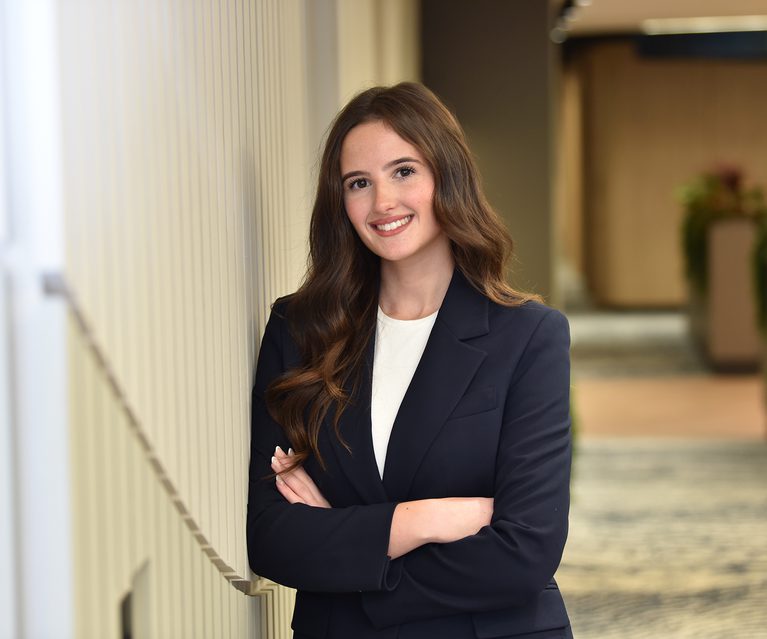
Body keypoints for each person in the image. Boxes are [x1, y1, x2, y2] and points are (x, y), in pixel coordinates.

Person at [247, 82, 573, 639]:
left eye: (404, 171)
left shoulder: (528, 337)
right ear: (340, 202)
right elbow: (272, 538)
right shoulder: (299, 332)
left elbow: (524, 552)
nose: (382, 204)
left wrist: (347, 552)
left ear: (447, 176)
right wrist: (421, 521)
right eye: (359, 183)